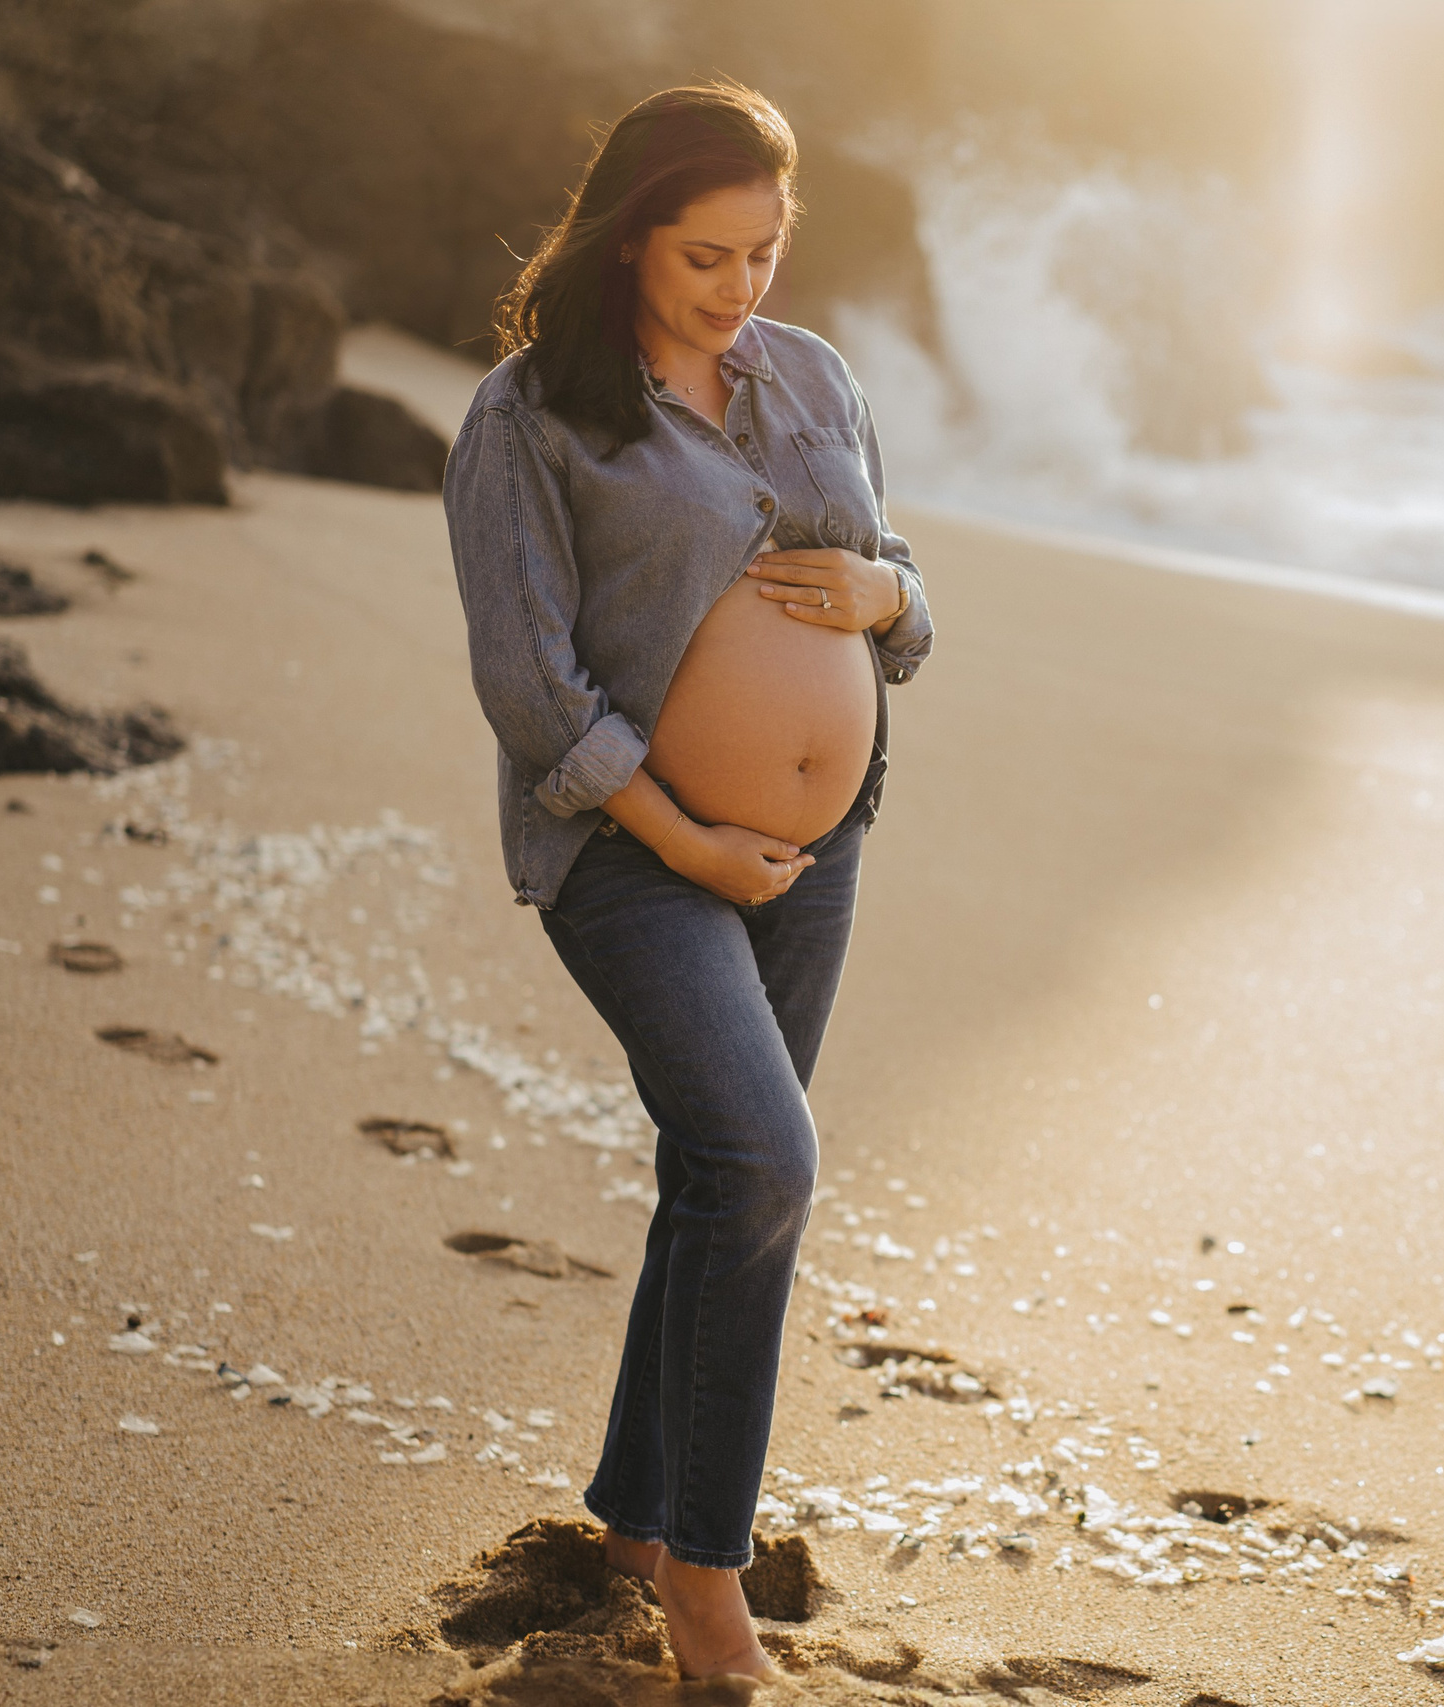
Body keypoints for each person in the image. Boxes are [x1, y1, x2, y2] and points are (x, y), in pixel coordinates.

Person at [441, 79, 932, 1681]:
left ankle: (638, 1527)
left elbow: (901, 597)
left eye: (763, 254)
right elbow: (533, 689)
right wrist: (688, 839)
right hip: (633, 852)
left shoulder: (814, 377)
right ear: (627, 236)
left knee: (721, 1177)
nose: (739, 289)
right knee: (766, 1162)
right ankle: (708, 1581)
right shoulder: (528, 418)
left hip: (816, 850)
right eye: (705, 256)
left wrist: (881, 594)